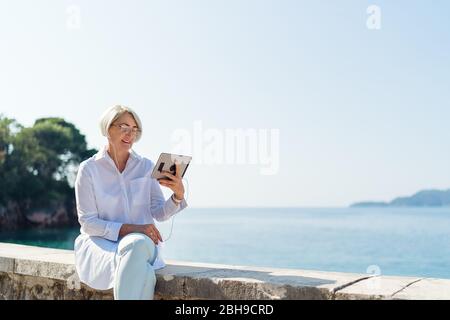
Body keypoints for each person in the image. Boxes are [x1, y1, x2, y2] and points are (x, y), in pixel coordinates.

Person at [73, 105, 188, 300]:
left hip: (142, 244)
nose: (130, 134)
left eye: (134, 129)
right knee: (141, 268)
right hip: (101, 244)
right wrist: (134, 228)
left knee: (135, 244)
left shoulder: (145, 166)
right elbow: (88, 223)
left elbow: (159, 212)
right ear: (108, 128)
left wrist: (177, 195)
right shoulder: (88, 170)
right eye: (124, 127)